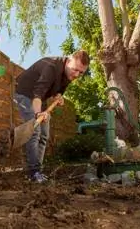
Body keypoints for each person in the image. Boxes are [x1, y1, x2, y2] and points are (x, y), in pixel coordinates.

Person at [14, 50, 90, 183]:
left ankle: (38, 171)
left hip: (40, 99)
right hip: (25, 94)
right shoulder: (51, 67)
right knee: (35, 131)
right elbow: (37, 95)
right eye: (75, 70)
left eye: (81, 72)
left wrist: (59, 98)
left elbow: (58, 93)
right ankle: (33, 173)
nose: (77, 74)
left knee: (44, 135)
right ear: (68, 60)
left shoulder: (69, 74)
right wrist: (38, 114)